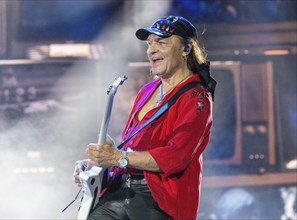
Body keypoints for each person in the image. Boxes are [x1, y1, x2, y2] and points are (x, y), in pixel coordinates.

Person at [74, 15, 216, 220]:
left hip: (158, 199)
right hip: (120, 190)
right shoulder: (147, 91)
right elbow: (131, 151)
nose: (152, 50)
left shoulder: (197, 98)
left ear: (186, 49)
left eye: (162, 42)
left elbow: (176, 157)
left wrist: (116, 157)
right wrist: (99, 164)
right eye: (150, 44)